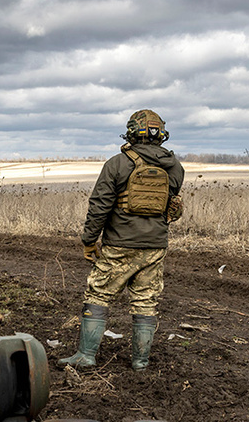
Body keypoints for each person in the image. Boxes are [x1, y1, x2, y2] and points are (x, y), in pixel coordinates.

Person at [59, 109, 185, 371]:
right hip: (155, 247)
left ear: (132, 132)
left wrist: (89, 240)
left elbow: (99, 207)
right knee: (146, 300)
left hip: (119, 245)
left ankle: (86, 355)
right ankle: (140, 361)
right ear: (161, 133)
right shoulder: (175, 167)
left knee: (99, 294)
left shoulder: (117, 164)